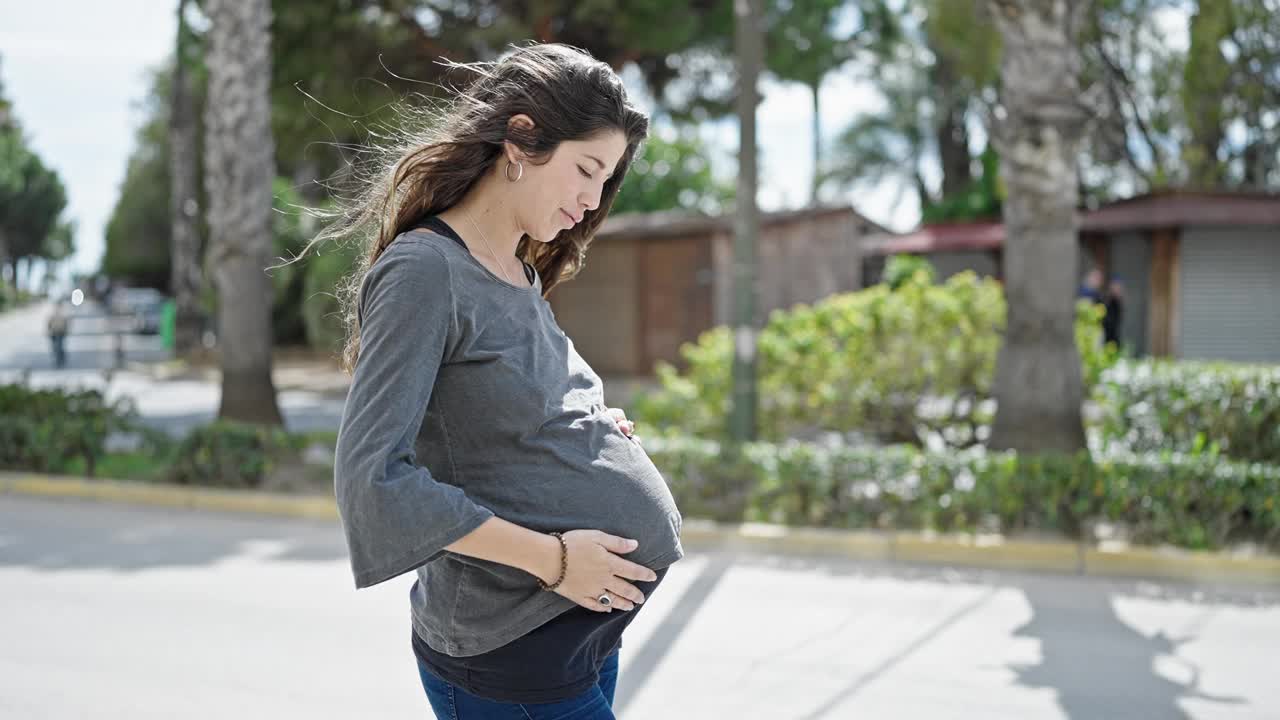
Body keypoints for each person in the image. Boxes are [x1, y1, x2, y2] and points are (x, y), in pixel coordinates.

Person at [329, 43, 683, 719]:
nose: (592, 200)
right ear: (521, 139)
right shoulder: (425, 272)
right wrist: (554, 560)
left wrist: (587, 430)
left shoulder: (519, 272)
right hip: (509, 651)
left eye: (605, 182)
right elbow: (372, 479)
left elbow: (493, 418)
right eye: (586, 170)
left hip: (578, 631)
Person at [46, 304, 69, 369]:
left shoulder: (63, 315)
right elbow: (49, 324)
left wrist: (65, 331)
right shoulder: (52, 316)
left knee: (60, 346)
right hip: (54, 333)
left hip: (61, 333)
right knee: (55, 347)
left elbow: (66, 324)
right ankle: (58, 358)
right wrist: (49, 331)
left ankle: (61, 357)